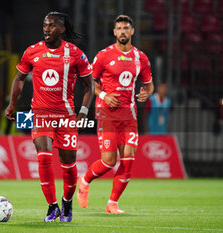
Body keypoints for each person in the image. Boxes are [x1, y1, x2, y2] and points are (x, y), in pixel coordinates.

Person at [5, 11, 94, 222]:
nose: (46, 29)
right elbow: (19, 78)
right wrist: (11, 104)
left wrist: (82, 112)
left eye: (51, 26)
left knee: (68, 163)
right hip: (41, 114)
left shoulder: (75, 54)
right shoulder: (32, 52)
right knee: (44, 157)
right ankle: (52, 207)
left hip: (66, 116)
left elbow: (89, 85)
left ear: (62, 29)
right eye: (45, 25)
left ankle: (67, 202)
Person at [76, 15, 154, 213]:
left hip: (129, 114)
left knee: (128, 160)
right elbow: (88, 83)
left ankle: (112, 203)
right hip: (107, 113)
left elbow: (149, 85)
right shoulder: (104, 55)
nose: (122, 32)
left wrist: (146, 93)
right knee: (109, 162)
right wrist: (103, 94)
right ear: (114, 32)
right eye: (119, 28)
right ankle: (84, 181)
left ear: (132, 31)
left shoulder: (141, 58)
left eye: (126, 28)